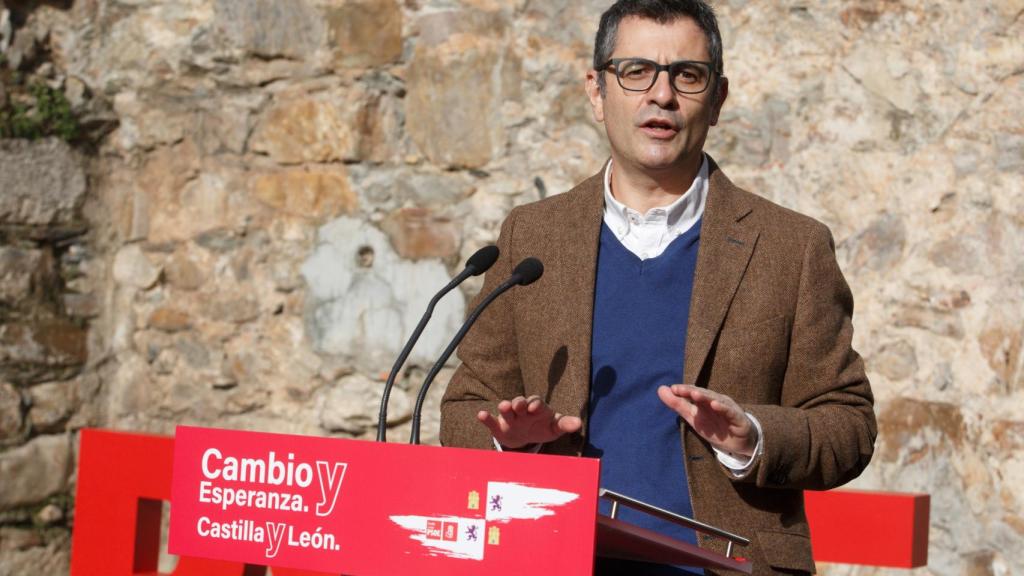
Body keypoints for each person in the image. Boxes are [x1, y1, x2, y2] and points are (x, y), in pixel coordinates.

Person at [440, 1, 876, 574]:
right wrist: (508, 440)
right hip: (550, 557)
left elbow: (848, 422)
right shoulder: (533, 236)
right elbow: (461, 410)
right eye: (636, 71)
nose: (661, 96)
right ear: (597, 91)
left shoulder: (791, 247)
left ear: (717, 100)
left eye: (686, 76)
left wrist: (755, 438)